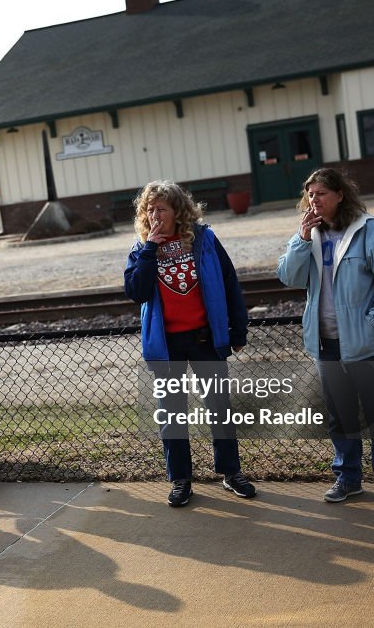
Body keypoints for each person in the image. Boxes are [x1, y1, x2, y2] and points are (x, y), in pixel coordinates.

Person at [277, 168, 374, 504]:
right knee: (340, 415)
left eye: (320, 193)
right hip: (327, 343)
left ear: (341, 195)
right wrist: (301, 239)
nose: (313, 200)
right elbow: (288, 277)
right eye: (309, 194)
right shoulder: (312, 235)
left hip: (367, 344)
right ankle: (348, 478)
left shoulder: (370, 232)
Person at [124, 181, 256, 507]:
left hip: (204, 339)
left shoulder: (204, 239)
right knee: (173, 414)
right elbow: (137, 292)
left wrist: (237, 331)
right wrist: (150, 250)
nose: (155, 215)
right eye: (150, 209)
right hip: (167, 344)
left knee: (220, 410)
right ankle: (181, 479)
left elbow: (229, 284)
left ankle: (230, 472)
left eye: (162, 208)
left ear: (178, 211)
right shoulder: (140, 248)